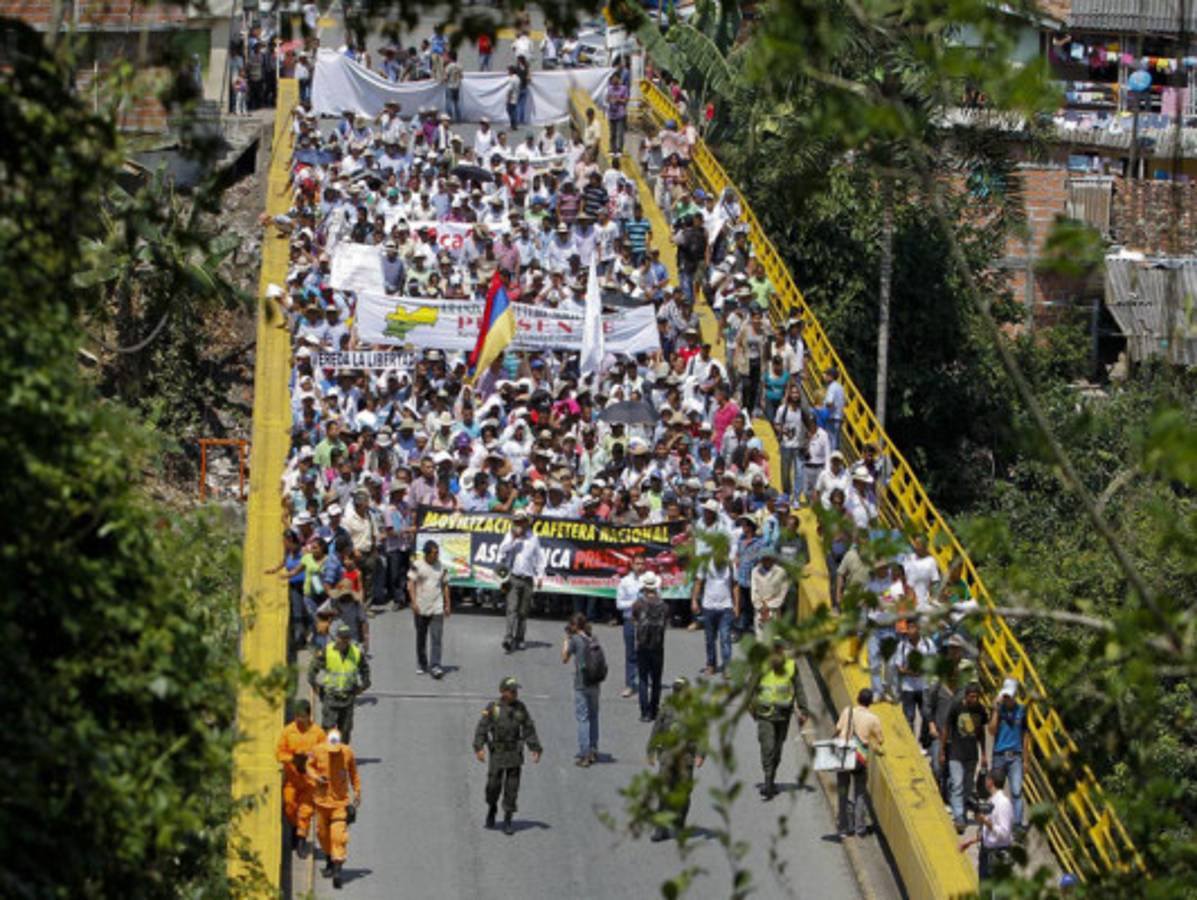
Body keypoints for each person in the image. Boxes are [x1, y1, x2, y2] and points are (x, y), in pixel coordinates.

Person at [473, 676, 543, 835]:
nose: (515, 693)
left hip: (514, 755)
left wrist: (535, 748)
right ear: (503, 692)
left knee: (512, 789)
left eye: (516, 690)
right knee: (493, 786)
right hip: (497, 754)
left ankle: (508, 819)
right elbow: (482, 728)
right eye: (512, 691)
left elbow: (528, 728)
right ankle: (492, 807)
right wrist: (479, 748)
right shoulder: (493, 708)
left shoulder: (520, 708)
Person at [647, 676, 705, 842]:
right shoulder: (666, 708)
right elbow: (657, 728)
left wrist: (701, 754)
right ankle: (661, 828)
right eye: (676, 689)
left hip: (686, 757)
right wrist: (651, 749)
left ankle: (679, 820)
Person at [752, 641, 810, 800]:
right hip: (765, 714)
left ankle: (771, 778)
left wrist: (804, 710)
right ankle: (768, 781)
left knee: (777, 750)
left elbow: (798, 688)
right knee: (768, 747)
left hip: (783, 715)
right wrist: (751, 708)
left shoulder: (791, 666)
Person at [308, 728, 361, 890]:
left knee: (338, 836)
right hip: (322, 803)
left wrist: (357, 793)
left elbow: (354, 774)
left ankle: (337, 869)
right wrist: (317, 777)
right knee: (322, 834)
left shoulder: (347, 753)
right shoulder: (316, 751)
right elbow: (309, 766)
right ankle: (330, 858)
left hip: (340, 804)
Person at [276, 699, 327, 858]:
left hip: (310, 782)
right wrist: (292, 758)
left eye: (302, 716)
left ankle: (301, 840)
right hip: (292, 780)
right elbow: (279, 753)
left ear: (309, 716)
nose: (299, 719)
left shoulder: (318, 733)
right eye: (297, 716)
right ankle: (294, 830)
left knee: (305, 812)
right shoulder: (288, 732)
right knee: (290, 807)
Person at [308, 623, 371, 744]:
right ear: (337, 638)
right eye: (342, 638)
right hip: (330, 696)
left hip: (348, 697)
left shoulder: (356, 653)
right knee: (329, 728)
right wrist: (314, 685)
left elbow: (364, 669)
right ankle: (329, 755)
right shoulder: (328, 651)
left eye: (347, 638)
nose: (344, 641)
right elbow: (312, 669)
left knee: (345, 730)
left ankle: (343, 757)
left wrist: (364, 685)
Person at [834, 688, 884, 838]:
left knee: (842, 792)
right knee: (860, 793)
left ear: (857, 698)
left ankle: (843, 828)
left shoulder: (847, 711)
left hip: (843, 756)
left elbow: (837, 729)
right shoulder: (873, 718)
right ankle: (859, 828)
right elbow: (881, 740)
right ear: (870, 703)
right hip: (859, 759)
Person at [943, 681, 988, 833]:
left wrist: (984, 754)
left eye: (976, 697)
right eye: (971, 696)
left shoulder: (980, 710)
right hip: (956, 753)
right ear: (966, 696)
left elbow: (981, 733)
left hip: (971, 755)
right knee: (957, 784)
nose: (973, 699)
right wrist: (942, 751)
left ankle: (960, 810)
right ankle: (959, 817)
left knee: (968, 787)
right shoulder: (956, 707)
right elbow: (946, 728)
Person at [498, 510, 544, 653]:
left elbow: (539, 558)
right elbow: (502, 550)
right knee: (511, 608)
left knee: (523, 612)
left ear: (526, 522)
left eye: (520, 521)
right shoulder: (510, 535)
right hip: (513, 577)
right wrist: (514, 540)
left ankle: (520, 638)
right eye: (515, 521)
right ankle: (508, 638)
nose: (518, 524)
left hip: (528, 579)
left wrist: (540, 576)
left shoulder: (533, 538)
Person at [988, 677, 1029, 833]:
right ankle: (995, 819)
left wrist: (1026, 760)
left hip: (1015, 756)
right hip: (999, 754)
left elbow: (1025, 735)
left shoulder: (1022, 711)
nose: (1007, 699)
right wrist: (996, 711)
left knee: (1017, 792)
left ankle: (1017, 825)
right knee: (996, 790)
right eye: (1005, 696)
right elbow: (991, 731)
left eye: (1009, 696)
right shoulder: (999, 710)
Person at [958, 768, 1015, 879]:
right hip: (986, 852)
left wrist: (985, 821)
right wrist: (971, 841)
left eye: (986, 779)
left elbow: (1004, 833)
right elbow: (990, 831)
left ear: (990, 781)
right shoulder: (992, 801)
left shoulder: (1003, 803)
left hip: (997, 854)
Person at [562, 612, 600, 767]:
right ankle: (593, 749)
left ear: (574, 626)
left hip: (581, 683)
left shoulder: (575, 640)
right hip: (595, 683)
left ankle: (584, 754)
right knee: (594, 716)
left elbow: (564, 659)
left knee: (583, 718)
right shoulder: (593, 639)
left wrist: (566, 642)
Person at [408, 540, 450, 678]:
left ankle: (436, 665)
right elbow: (411, 584)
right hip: (421, 607)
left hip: (437, 606)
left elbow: (445, 585)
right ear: (427, 554)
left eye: (438, 552)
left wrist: (447, 604)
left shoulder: (441, 567)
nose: (437, 555)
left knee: (437, 637)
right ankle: (422, 663)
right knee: (421, 636)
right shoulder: (417, 565)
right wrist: (414, 602)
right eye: (434, 552)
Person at [632, 571, 668, 722]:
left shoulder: (638, 604)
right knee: (657, 679)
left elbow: (634, 619)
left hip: (642, 644)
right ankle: (654, 709)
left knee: (643, 679)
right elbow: (665, 624)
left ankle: (644, 711)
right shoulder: (664, 606)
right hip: (658, 646)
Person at [692, 557, 736, 675]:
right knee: (710, 639)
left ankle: (727, 666)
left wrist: (737, 605)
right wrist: (694, 601)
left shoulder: (730, 565)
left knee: (725, 638)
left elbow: (735, 585)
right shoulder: (705, 563)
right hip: (709, 607)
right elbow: (698, 582)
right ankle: (711, 664)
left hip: (726, 607)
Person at [615, 556, 645, 697]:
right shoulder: (625, 581)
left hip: (646, 622)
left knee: (645, 652)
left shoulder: (650, 580)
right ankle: (630, 684)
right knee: (630, 653)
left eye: (642, 563)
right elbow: (619, 604)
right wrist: (634, 603)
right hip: (630, 620)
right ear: (632, 565)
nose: (640, 566)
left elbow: (659, 599)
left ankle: (645, 681)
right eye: (637, 563)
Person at [749, 551, 789, 640]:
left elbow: (783, 592)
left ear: (773, 559)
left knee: (774, 639)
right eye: (764, 559)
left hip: (774, 609)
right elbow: (754, 591)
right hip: (759, 610)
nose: (766, 561)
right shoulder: (755, 571)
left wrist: (769, 605)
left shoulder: (781, 572)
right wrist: (760, 606)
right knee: (760, 638)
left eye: (768, 558)